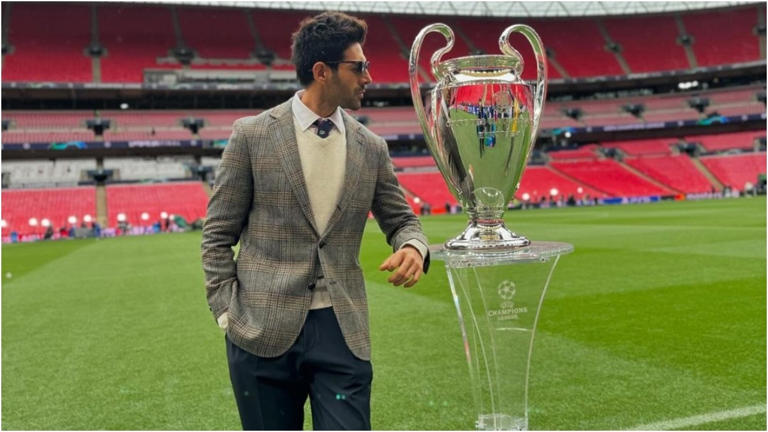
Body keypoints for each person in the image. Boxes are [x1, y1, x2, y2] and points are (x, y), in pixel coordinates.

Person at [201, 11, 429, 431]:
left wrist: (413, 246)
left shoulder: (370, 147)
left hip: (341, 332)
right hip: (259, 330)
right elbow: (217, 235)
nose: (369, 77)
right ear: (321, 72)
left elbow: (401, 220)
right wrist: (225, 312)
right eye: (358, 67)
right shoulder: (251, 136)